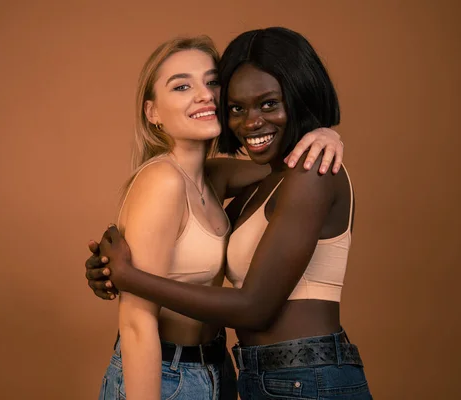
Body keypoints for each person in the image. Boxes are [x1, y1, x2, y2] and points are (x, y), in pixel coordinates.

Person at [86, 27, 371, 399]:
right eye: (182, 86)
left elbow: (282, 171)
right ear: (152, 112)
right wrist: (115, 275)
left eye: (212, 82)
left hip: (238, 372)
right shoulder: (168, 180)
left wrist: (325, 133)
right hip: (184, 376)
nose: (204, 95)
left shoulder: (222, 178)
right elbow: (137, 324)